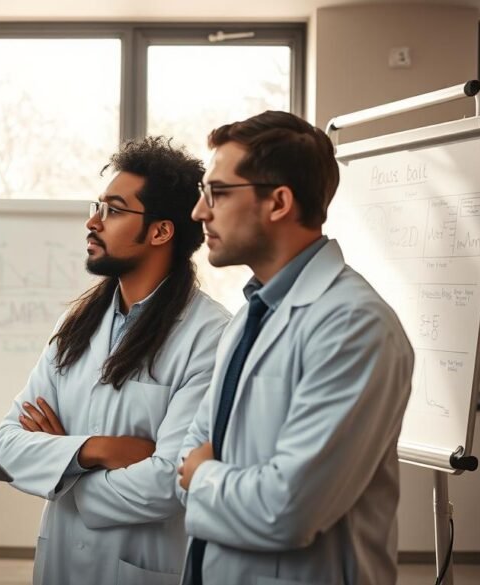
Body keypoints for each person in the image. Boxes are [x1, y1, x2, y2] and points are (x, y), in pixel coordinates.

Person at [177, 111, 415, 584]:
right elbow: (190, 452)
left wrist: (204, 478)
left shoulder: (355, 325)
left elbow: (287, 510)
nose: (199, 212)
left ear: (279, 202)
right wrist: (202, 474)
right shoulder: (251, 311)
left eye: (217, 193)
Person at [0, 137, 230, 584]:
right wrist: (94, 449)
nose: (92, 222)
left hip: (142, 567)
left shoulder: (210, 335)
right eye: (97, 206)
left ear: (161, 231)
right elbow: (6, 444)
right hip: (61, 560)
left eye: (113, 211)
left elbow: (168, 483)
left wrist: (64, 469)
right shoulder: (78, 323)